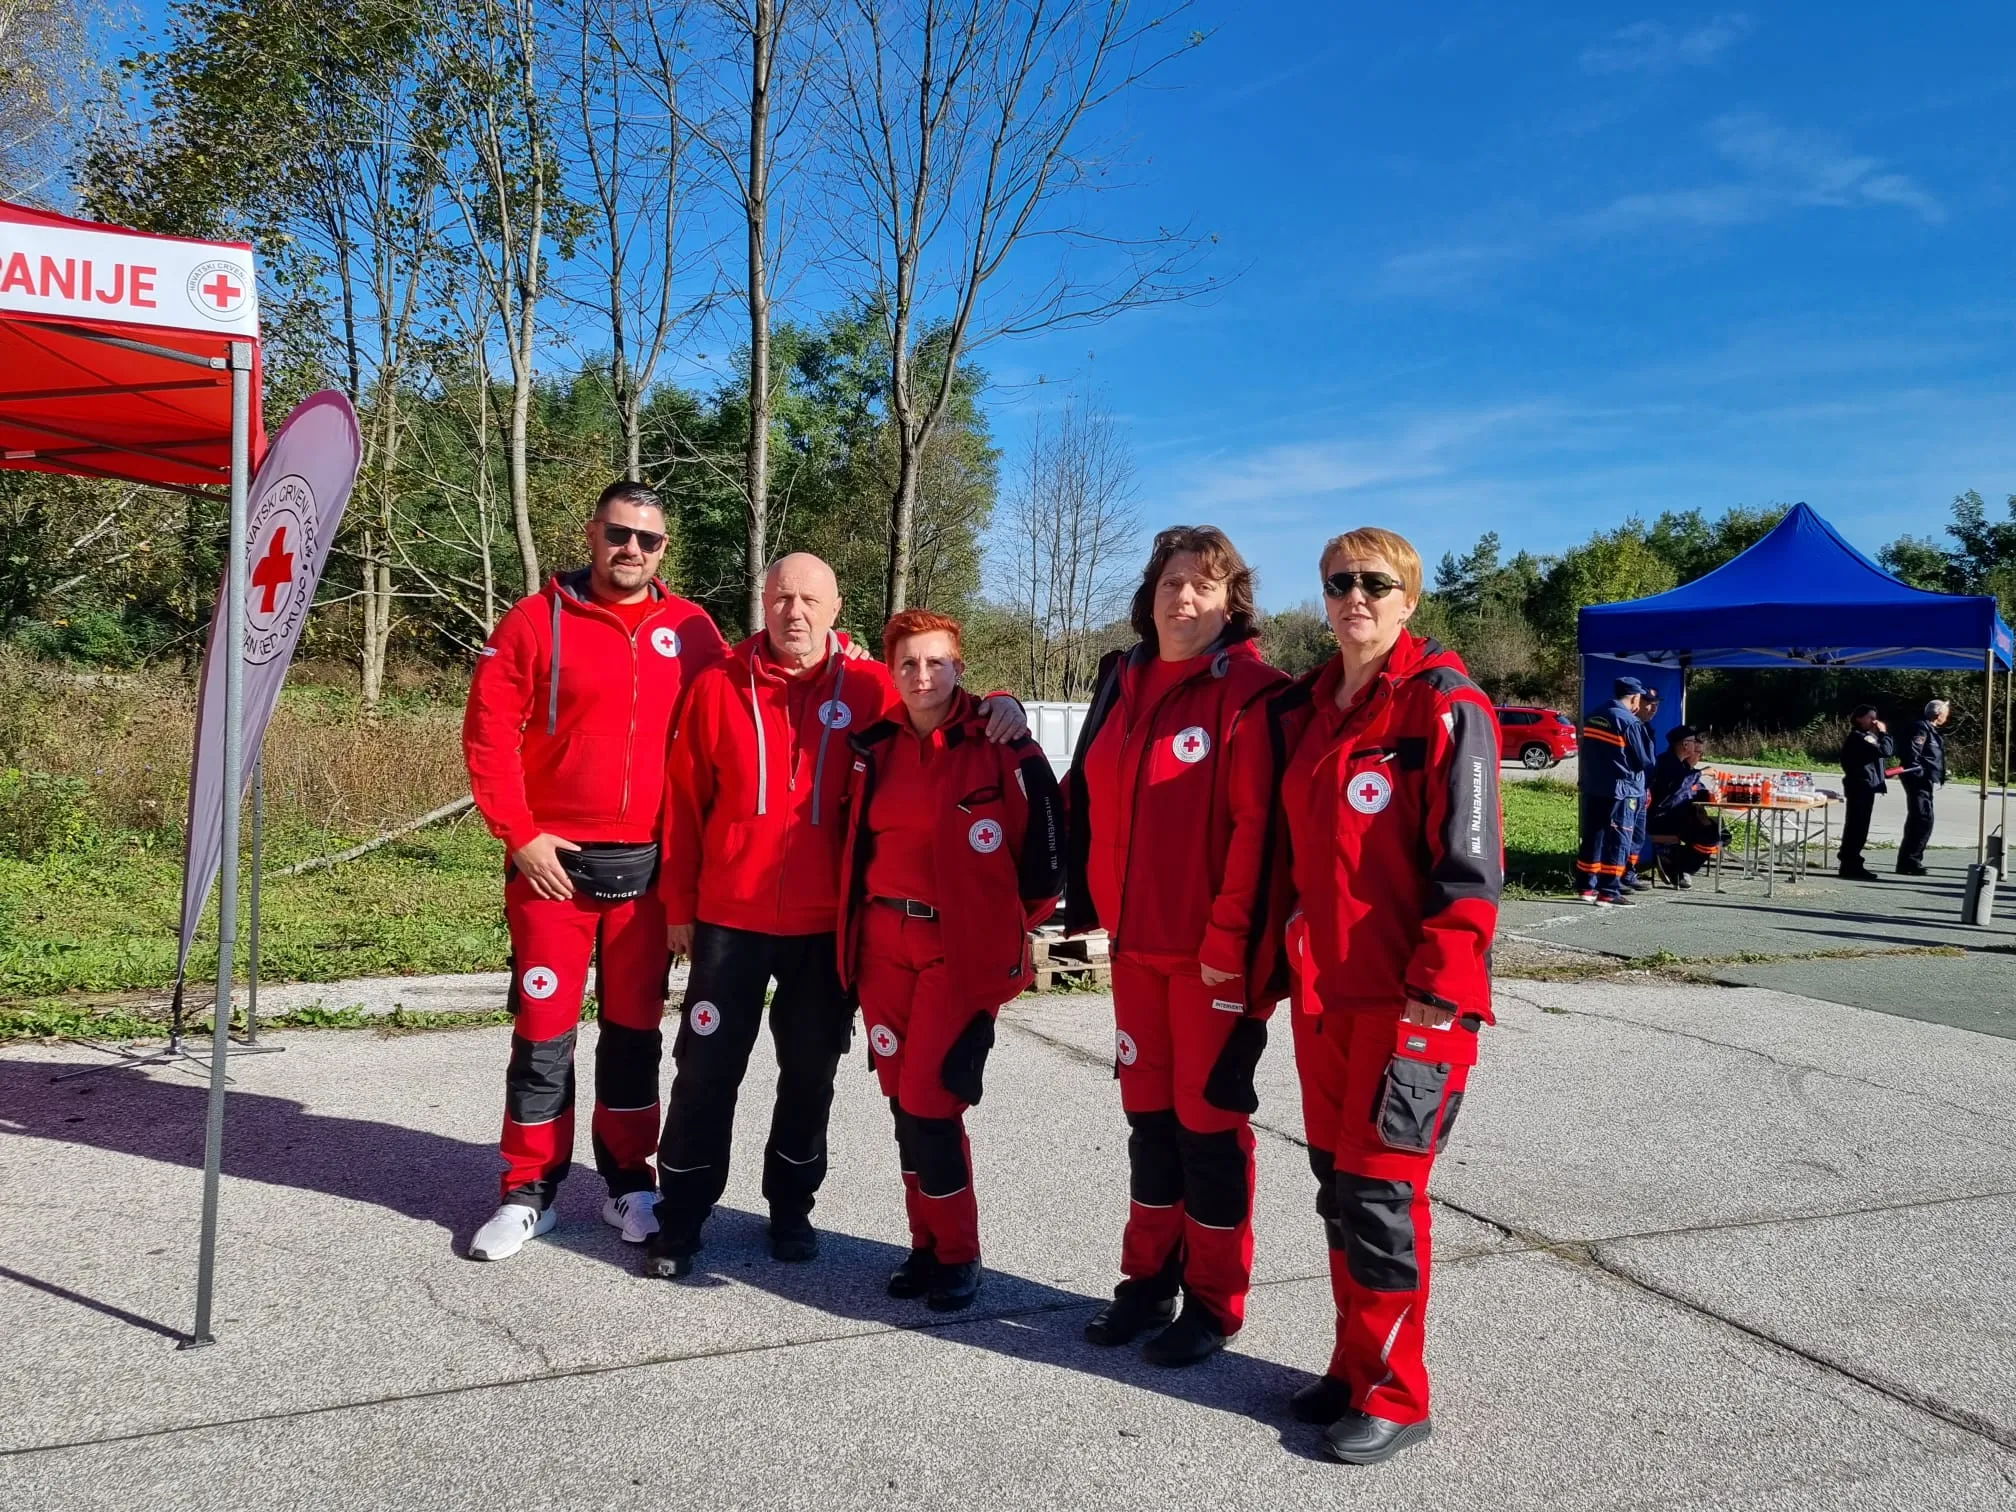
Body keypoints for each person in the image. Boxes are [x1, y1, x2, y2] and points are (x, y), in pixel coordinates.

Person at [646, 554, 1027, 1278]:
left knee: (810, 1073)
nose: (795, 611)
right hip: (730, 918)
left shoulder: (868, 684)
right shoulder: (716, 685)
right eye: (782, 597)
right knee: (704, 1073)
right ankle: (683, 1218)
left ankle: (790, 1208)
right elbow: (684, 804)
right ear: (764, 602)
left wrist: (1003, 700)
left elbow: (941, 694)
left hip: (827, 928)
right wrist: (678, 906)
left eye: (810, 599)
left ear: (834, 606)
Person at [1259, 526, 1501, 1465]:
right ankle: (1355, 1364)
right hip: (1328, 1001)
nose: (1353, 597)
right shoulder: (1315, 708)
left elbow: (1470, 866)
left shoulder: (1446, 705)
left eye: (1372, 583)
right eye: (1336, 584)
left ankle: (1399, 1395)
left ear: (1408, 597)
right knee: (1337, 1192)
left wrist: (1437, 996)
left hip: (1413, 1008)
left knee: (1383, 1198)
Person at [460, 481, 730, 1262]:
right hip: (552, 869)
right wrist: (520, 837)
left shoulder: (691, 628)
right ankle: (526, 1193)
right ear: (591, 533)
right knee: (543, 1035)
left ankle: (627, 1184)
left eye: (648, 540)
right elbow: (487, 737)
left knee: (633, 1036)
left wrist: (839, 651)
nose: (632, 550)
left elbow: (749, 695)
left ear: (664, 550)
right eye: (619, 533)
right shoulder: (533, 620)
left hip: (645, 874)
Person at [1063, 525, 1288, 1367]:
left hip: (1212, 961)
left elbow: (1257, 830)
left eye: (1203, 583)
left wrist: (1230, 941)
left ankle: (1214, 1302)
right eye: (1170, 581)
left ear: (1232, 600)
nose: (1182, 597)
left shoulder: (1255, 691)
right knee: (1148, 1125)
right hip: (1135, 949)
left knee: (1209, 1129)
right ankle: (1145, 1283)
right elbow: (1083, 788)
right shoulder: (1120, 679)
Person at [836, 610, 1066, 1312]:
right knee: (901, 1104)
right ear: (891, 670)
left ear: (960, 667)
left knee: (931, 1103)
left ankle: (959, 1252)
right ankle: (924, 1245)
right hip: (882, 946)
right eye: (908, 664)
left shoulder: (1001, 742)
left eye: (937, 662)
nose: (923, 676)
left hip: (956, 954)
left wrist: (995, 930)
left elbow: (1048, 863)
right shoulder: (871, 746)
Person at [1575, 678, 1655, 906]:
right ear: (1635, 698)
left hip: (1594, 786)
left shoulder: (1593, 716)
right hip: (1622, 790)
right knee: (1619, 838)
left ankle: (1586, 887)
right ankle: (1609, 891)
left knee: (1593, 837)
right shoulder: (1629, 722)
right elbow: (1644, 761)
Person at [1648, 725, 1722, 888]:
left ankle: (1677, 865)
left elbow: (1692, 789)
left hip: (1678, 815)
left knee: (1717, 832)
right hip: (1663, 817)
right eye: (1692, 743)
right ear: (1684, 745)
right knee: (1710, 836)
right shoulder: (1666, 762)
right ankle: (1677, 867)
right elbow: (1679, 786)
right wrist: (1701, 773)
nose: (1696, 747)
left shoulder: (1681, 764)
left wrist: (1710, 794)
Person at [1837, 704, 1892, 881]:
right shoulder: (1860, 737)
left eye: (1875, 717)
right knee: (1856, 827)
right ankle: (1850, 863)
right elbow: (1885, 751)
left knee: (1860, 826)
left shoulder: (1868, 736)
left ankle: (1852, 862)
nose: (1874, 721)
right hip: (1860, 786)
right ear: (1859, 718)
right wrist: (1884, 733)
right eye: (1870, 717)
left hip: (1866, 785)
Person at [1896, 699, 1949, 876]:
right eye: (1945, 713)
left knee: (1920, 819)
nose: (1947, 716)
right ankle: (1910, 861)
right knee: (1922, 819)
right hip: (1918, 780)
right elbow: (1913, 754)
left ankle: (1910, 860)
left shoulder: (1931, 730)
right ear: (1937, 714)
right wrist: (1920, 774)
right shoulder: (1921, 729)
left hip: (1925, 781)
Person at [1623, 688, 1662, 890]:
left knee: (1637, 836)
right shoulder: (1630, 725)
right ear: (1637, 703)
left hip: (1642, 789)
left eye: (1656, 704)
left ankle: (1629, 873)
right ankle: (1617, 876)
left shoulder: (1647, 728)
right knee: (1624, 835)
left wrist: (1647, 787)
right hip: (1627, 789)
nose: (1653, 708)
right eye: (1649, 703)